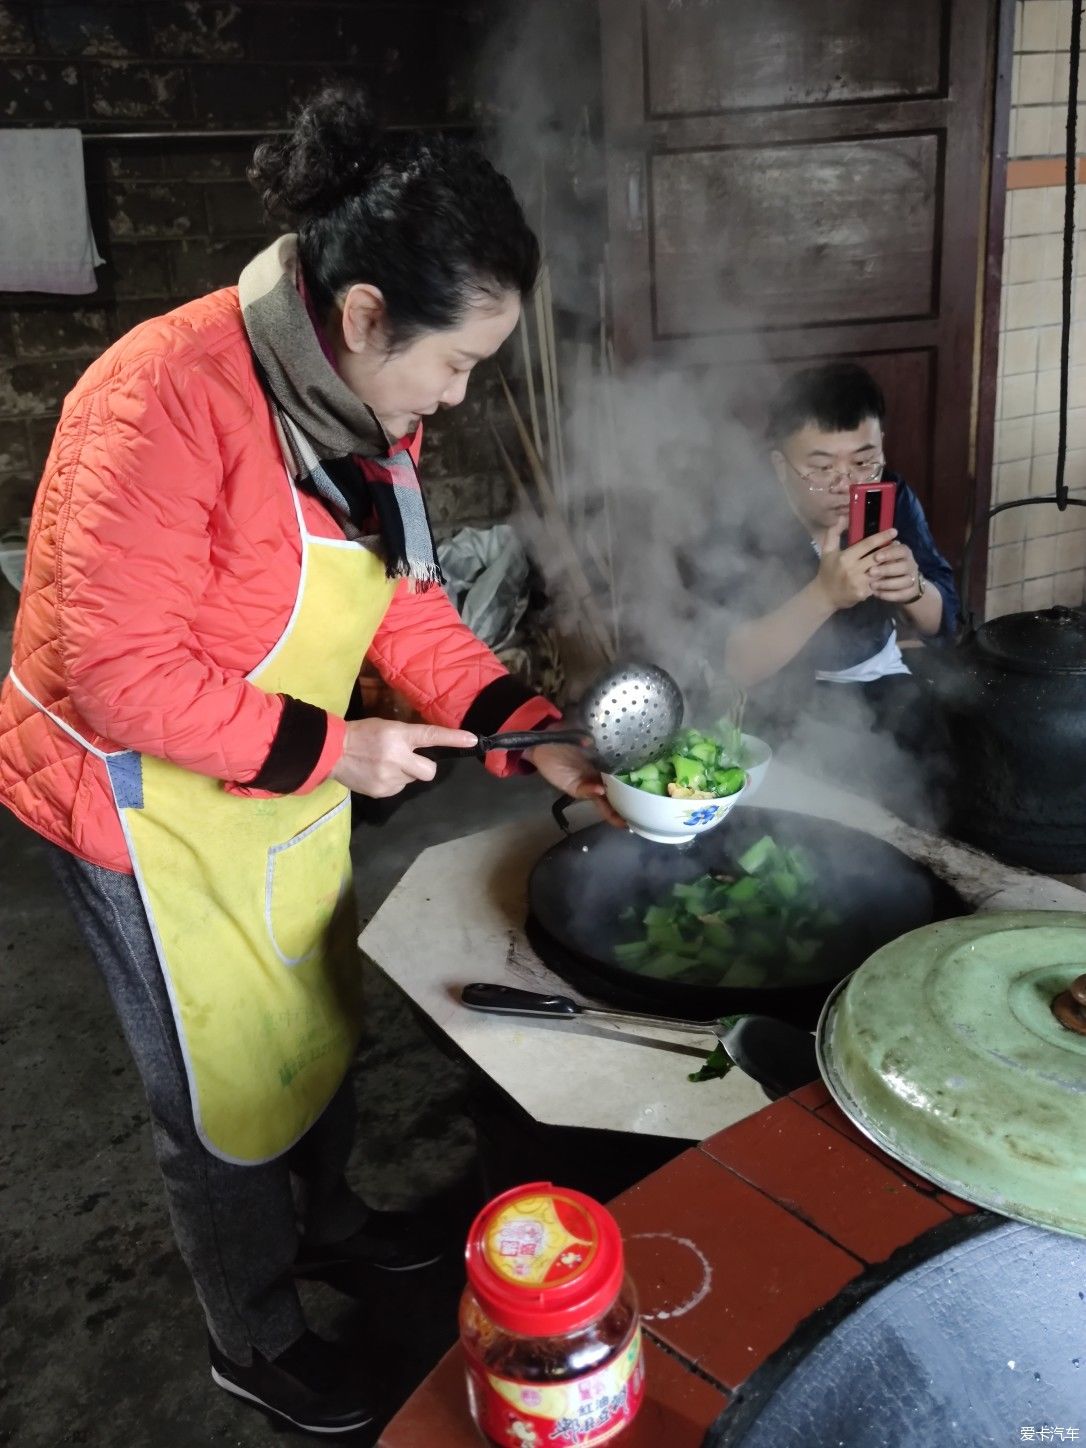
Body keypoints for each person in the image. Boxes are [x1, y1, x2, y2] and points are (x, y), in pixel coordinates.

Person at [0, 86, 612, 1436]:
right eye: (451, 366)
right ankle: (253, 1338)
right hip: (136, 806)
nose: (451, 402)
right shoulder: (159, 402)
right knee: (215, 1093)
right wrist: (339, 747)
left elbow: (398, 602)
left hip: (274, 786)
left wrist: (526, 727)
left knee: (310, 1018)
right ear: (361, 319)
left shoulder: (353, 413)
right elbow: (116, 672)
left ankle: (326, 1224)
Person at [718, 363, 960, 795]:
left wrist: (915, 589)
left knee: (939, 782)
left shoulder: (892, 497)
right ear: (779, 466)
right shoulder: (743, 520)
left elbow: (943, 622)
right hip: (779, 699)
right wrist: (823, 595)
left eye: (864, 462)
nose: (846, 486)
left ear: (881, 447)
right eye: (822, 468)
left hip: (880, 679)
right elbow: (737, 665)